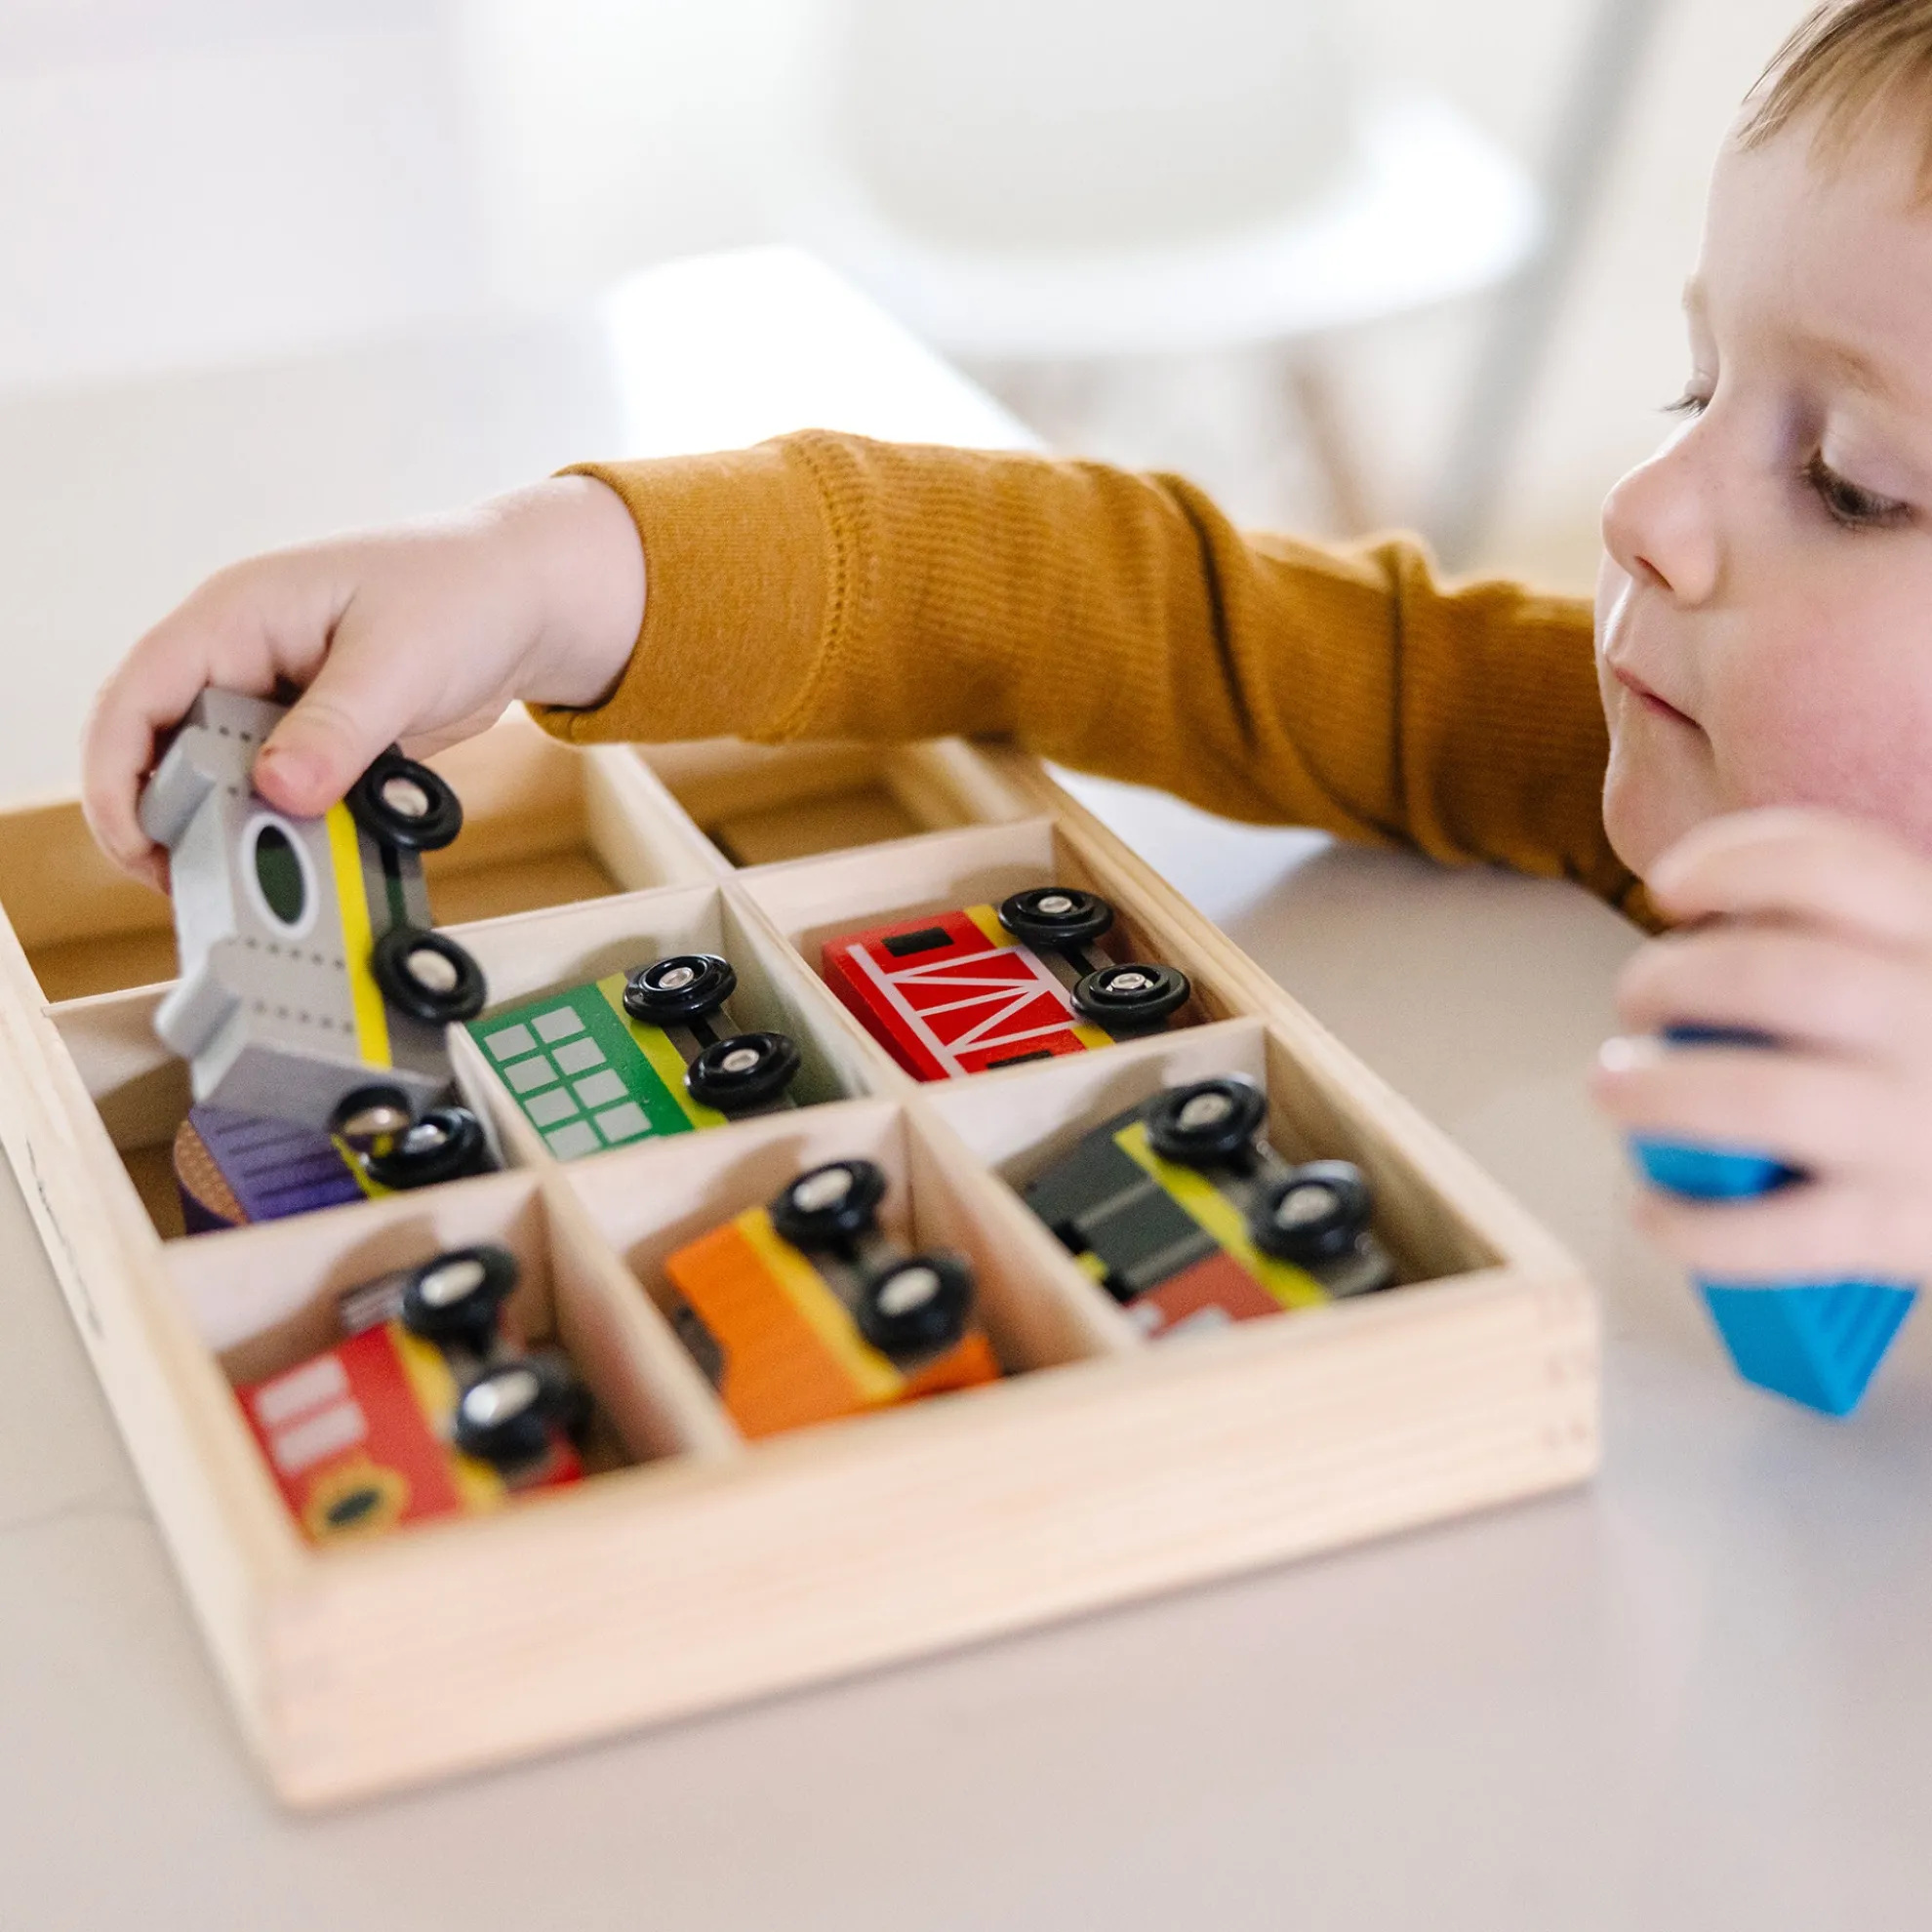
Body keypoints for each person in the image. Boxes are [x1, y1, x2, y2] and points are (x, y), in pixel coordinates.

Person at [78, 0, 1932, 1291]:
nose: (1646, 505)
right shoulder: (1615, 734)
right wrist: (550, 569)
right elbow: (1105, 598)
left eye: (1850, 483)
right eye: (1693, 386)